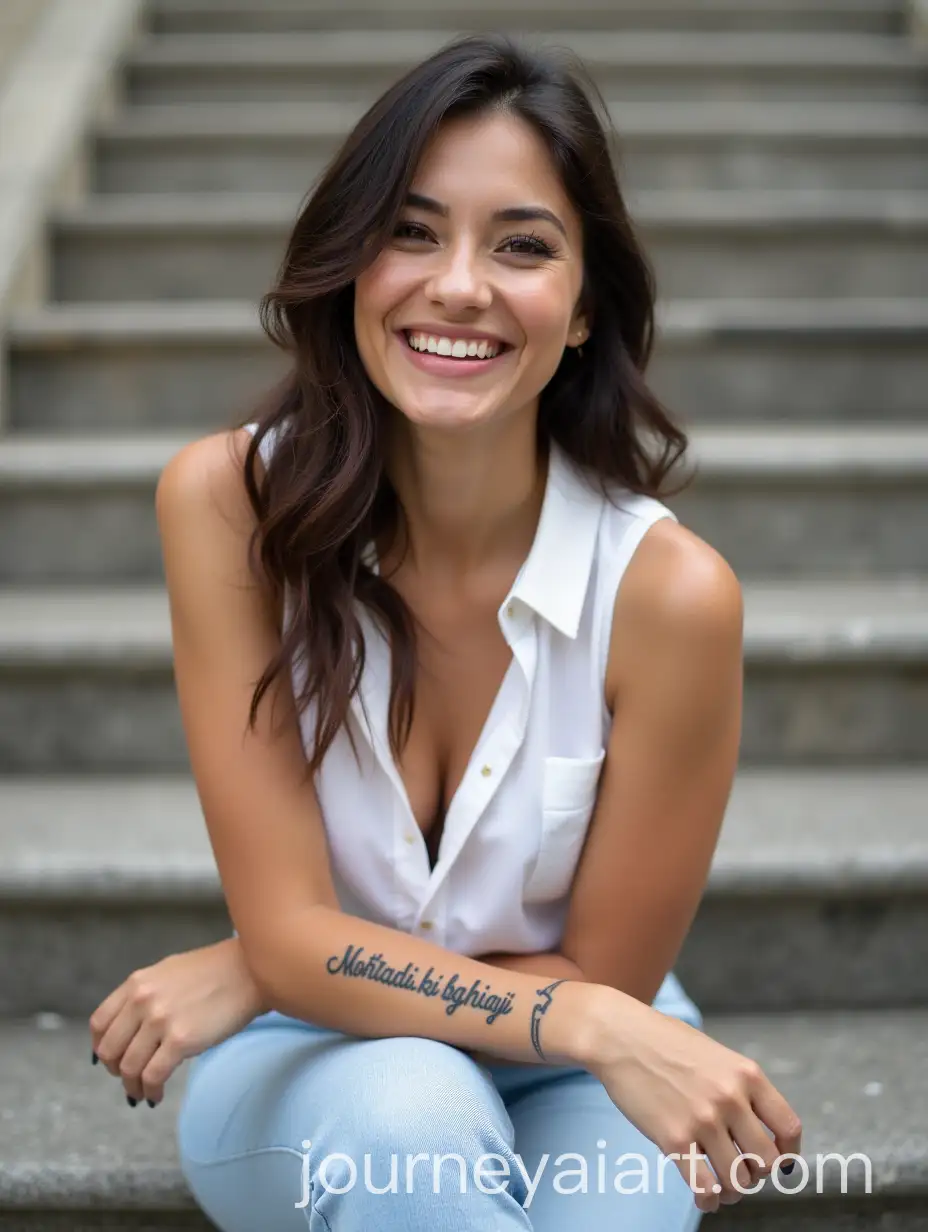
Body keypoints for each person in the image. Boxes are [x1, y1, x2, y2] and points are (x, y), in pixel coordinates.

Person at [88, 33, 801, 1232]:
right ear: (349, 266)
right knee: (412, 1116)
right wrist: (284, 961)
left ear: (582, 311)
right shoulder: (228, 507)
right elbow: (293, 926)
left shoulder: (670, 596)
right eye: (411, 231)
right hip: (316, 1054)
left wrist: (264, 956)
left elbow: (604, 976)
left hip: (589, 1052)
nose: (459, 284)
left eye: (521, 245)